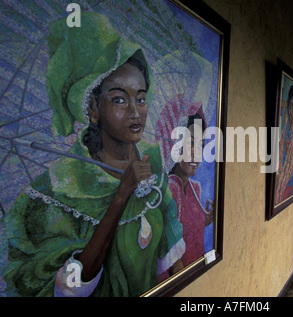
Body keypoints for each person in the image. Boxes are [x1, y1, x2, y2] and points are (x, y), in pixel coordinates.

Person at [4, 13, 184, 297]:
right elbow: (70, 286)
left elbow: (171, 244)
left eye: (140, 97)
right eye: (119, 99)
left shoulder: (151, 158)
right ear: (93, 108)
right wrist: (121, 196)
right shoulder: (58, 189)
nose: (136, 112)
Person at [167, 114, 214, 273]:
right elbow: (169, 247)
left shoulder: (196, 188)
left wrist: (205, 220)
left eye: (200, 145)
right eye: (191, 143)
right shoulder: (169, 189)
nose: (196, 153)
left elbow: (188, 226)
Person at [276, 86, 293, 203]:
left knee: (284, 194)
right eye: (289, 107)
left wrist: (288, 170)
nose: (290, 111)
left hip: (291, 175)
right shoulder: (284, 130)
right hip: (283, 171)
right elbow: (280, 152)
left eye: (292, 107)